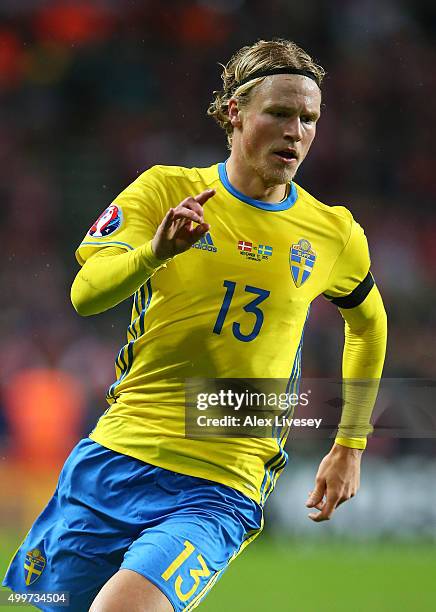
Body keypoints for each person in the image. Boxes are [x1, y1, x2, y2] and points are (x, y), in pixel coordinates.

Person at [3, 39, 387, 611]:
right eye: (279, 113)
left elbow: (369, 327)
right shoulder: (165, 189)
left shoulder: (332, 231)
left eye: (308, 119)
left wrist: (349, 444)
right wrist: (153, 253)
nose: (296, 132)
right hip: (116, 457)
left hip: (220, 482)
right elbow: (85, 294)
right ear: (234, 111)